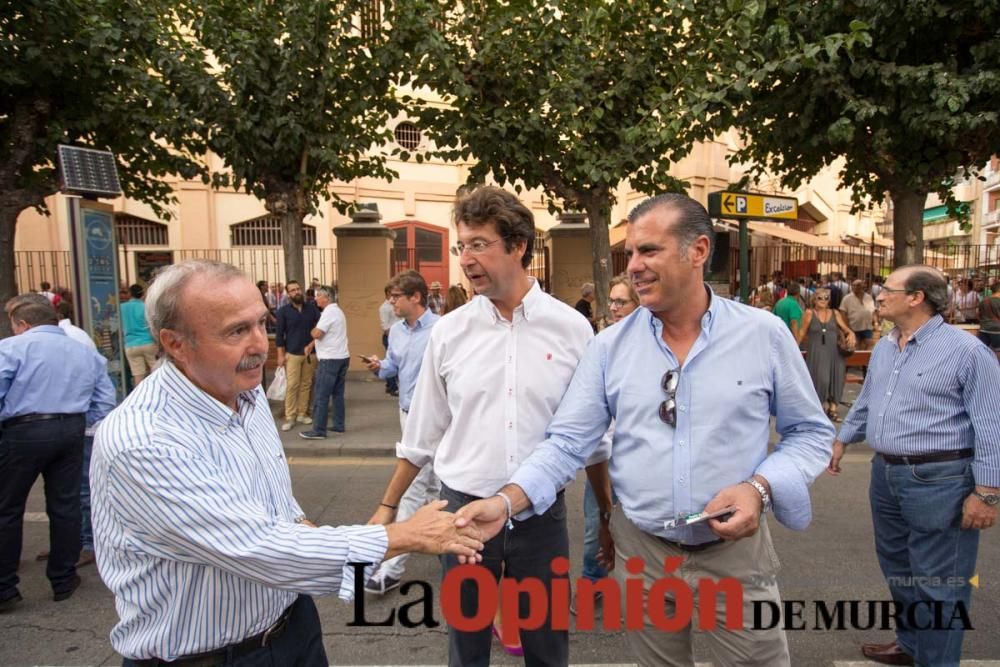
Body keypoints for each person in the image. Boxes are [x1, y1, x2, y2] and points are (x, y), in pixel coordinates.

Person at [455, 193, 833, 667]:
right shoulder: (609, 347)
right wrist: (505, 501)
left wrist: (759, 488)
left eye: (648, 250)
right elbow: (569, 443)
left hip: (734, 558)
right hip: (644, 558)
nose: (633, 266)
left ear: (697, 251)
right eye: (630, 252)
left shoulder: (762, 335)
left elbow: (811, 434)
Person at [89, 259, 483, 665]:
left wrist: (302, 527)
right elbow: (256, 547)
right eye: (236, 331)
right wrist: (403, 536)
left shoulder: (242, 388)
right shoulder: (143, 441)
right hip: (207, 657)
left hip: (293, 627)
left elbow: (272, 498)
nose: (260, 344)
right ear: (175, 343)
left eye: (261, 323)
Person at [369, 186, 593, 666]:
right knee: (466, 651)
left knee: (548, 648)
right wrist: (387, 507)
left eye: (479, 244)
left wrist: (609, 517)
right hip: (463, 515)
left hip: (540, 516)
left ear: (517, 246)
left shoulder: (572, 329)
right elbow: (422, 436)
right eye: (461, 245)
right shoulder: (450, 333)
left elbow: (588, 440)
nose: (466, 258)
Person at [829, 265, 1000, 667]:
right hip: (886, 474)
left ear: (917, 297)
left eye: (887, 288)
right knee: (899, 568)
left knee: (940, 583)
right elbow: (870, 398)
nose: (879, 294)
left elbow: (991, 424)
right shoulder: (888, 345)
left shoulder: (967, 352)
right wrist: (842, 438)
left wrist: (987, 493)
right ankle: (912, 645)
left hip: (941, 479)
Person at [0, 296, 115, 612]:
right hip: (71, 429)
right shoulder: (84, 352)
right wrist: (80, 422)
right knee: (65, 505)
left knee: (7, 508)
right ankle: (63, 579)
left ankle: (5, 586)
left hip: (22, 429)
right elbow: (104, 400)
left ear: (23, 324)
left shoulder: (11, 348)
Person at [362, 270, 441, 594]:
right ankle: (444, 544)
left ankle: (391, 569)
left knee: (413, 487)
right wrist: (380, 367)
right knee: (435, 485)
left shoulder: (441, 330)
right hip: (406, 413)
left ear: (416, 297)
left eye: (396, 297)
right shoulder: (396, 332)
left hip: (437, 420)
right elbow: (395, 366)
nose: (390, 302)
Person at [579, 274, 638, 600]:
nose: (614, 307)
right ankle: (593, 583)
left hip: (636, 450)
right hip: (603, 450)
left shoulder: (649, 346)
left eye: (621, 302)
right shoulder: (600, 343)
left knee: (642, 524)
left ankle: (646, 585)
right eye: (611, 301)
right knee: (596, 522)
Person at [796, 287, 855, 422]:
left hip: (834, 352)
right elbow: (801, 332)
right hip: (817, 352)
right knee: (822, 379)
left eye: (826, 298)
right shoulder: (809, 313)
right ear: (814, 299)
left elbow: (846, 329)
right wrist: (794, 349)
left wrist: (851, 334)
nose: (823, 300)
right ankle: (821, 406)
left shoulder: (835, 313)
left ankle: (833, 409)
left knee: (836, 379)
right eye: (820, 298)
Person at [299, 286, 350, 439]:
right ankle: (339, 425)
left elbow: (317, 333)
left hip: (330, 359)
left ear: (326, 297)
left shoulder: (328, 313)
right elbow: (325, 335)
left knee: (321, 395)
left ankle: (319, 430)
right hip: (342, 357)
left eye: (318, 296)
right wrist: (310, 345)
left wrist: (312, 331)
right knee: (337, 394)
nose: (315, 299)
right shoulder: (337, 311)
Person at [275, 279, 321, 431]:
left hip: (310, 354)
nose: (296, 292)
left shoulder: (312, 308)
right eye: (292, 290)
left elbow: (320, 327)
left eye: (298, 289)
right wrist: (280, 355)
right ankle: (290, 417)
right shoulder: (283, 312)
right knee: (292, 385)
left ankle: (303, 413)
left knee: (306, 384)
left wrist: (313, 344)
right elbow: (279, 335)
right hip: (292, 354)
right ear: (288, 294)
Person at [120, 284, 158, 386]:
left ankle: (140, 396)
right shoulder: (145, 306)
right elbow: (152, 324)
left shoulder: (121, 308)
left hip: (130, 344)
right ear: (143, 294)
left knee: (138, 374)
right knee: (156, 370)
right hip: (148, 342)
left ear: (130, 294)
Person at [840, 279, 879, 350]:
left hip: (867, 327)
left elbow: (873, 311)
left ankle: (866, 360)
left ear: (862, 286)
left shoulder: (868, 297)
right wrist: (847, 328)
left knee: (870, 345)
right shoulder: (846, 298)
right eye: (853, 285)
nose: (855, 287)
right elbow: (843, 314)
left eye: (857, 285)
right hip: (853, 327)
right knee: (854, 346)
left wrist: (876, 322)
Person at [378, 283, 401, 396]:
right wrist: (394, 336)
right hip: (390, 337)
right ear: (387, 294)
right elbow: (385, 326)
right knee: (392, 361)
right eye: (393, 294)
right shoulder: (384, 308)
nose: (394, 297)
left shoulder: (396, 305)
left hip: (399, 335)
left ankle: (389, 384)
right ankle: (392, 386)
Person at [977, 280, 1000, 350]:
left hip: (983, 330)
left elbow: (978, 315)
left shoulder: (983, 301)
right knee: (998, 351)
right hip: (997, 331)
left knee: (982, 350)